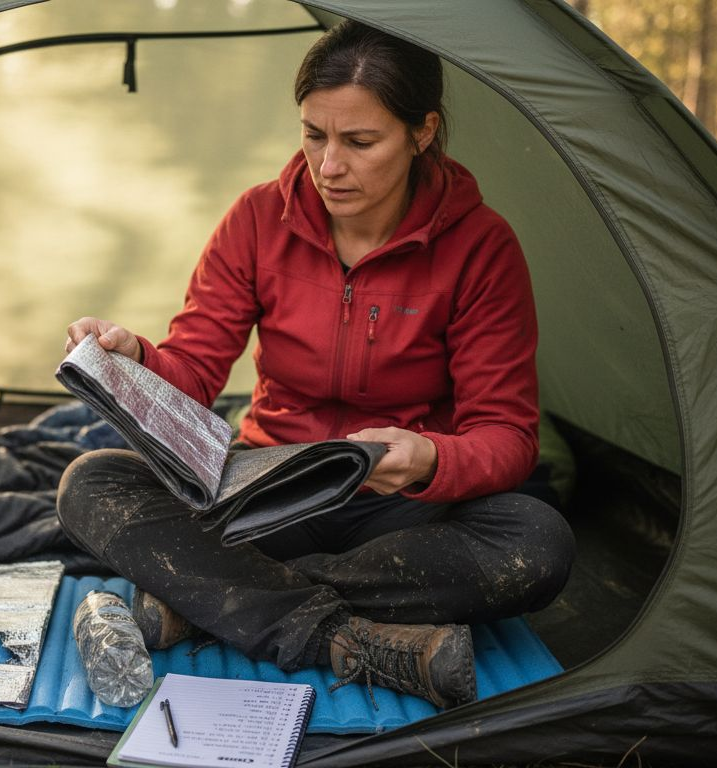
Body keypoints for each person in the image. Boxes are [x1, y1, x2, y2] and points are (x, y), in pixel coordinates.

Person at [57, 21, 574, 710]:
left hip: (405, 512)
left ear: (423, 131)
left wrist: (427, 457)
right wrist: (138, 362)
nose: (328, 166)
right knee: (90, 483)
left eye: (360, 142)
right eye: (314, 135)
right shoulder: (257, 219)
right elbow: (198, 368)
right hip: (271, 492)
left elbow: (507, 435)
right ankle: (345, 639)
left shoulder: (481, 247)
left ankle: (210, 601)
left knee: (537, 542)